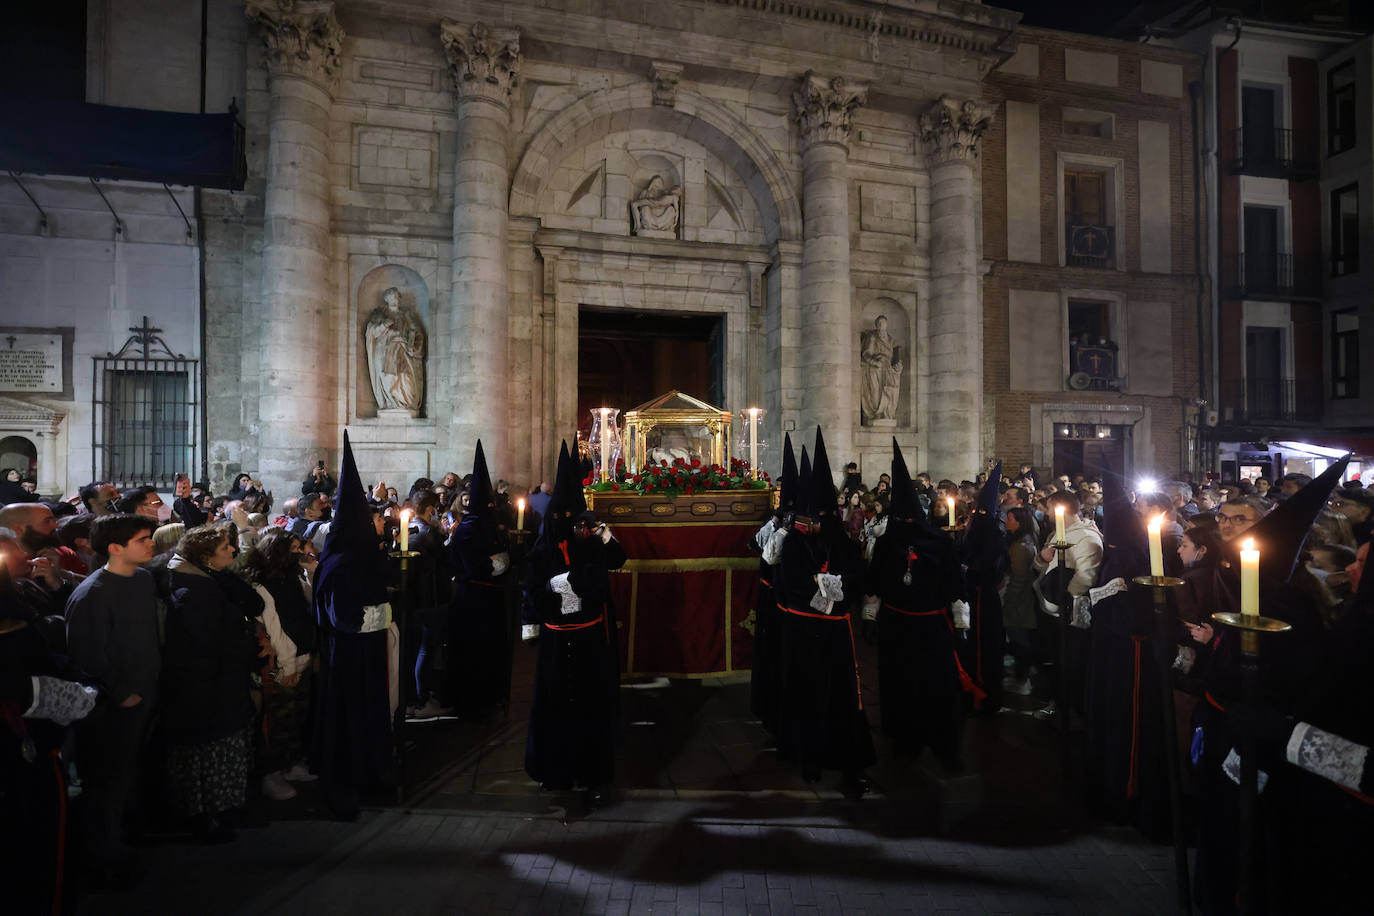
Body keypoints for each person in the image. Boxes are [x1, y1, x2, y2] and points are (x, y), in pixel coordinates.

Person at [522, 441, 626, 806]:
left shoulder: (592, 543)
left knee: (590, 707)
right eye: (557, 517)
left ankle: (593, 773)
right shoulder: (543, 547)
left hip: (588, 640)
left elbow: (611, 567)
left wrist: (602, 535)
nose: (563, 524)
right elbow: (532, 586)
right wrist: (533, 618)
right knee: (554, 707)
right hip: (555, 640)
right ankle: (555, 771)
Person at [772, 428, 874, 793]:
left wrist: (833, 589)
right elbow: (790, 582)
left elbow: (858, 579)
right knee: (805, 693)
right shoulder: (796, 544)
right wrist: (821, 587)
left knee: (844, 696)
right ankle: (808, 755)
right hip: (805, 631)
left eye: (818, 519)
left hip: (836, 633)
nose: (811, 525)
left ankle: (850, 761)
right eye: (808, 519)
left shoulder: (843, 545)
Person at [63, 514, 160, 885]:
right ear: (115, 548)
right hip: (112, 707)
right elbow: (86, 656)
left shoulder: (143, 579)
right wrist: (122, 693)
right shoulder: (92, 594)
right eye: (142, 539)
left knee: (129, 776)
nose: (151, 545)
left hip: (145, 694)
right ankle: (99, 860)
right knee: (105, 783)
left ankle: (122, 844)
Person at [871, 439, 971, 772]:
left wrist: (961, 624)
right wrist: (869, 616)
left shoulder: (939, 542)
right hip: (896, 626)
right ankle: (904, 740)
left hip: (931, 627)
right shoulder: (887, 545)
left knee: (938, 685)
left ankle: (945, 743)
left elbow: (956, 585)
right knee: (900, 684)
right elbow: (875, 582)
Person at [310, 431, 396, 820]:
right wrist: (382, 615)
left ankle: (373, 774)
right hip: (347, 659)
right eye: (375, 518)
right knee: (347, 721)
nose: (381, 523)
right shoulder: (338, 564)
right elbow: (340, 617)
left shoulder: (364, 557)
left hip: (369, 655)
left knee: (372, 715)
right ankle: (345, 783)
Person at [161, 524, 262, 842]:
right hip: (205, 685)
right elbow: (213, 638)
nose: (232, 551)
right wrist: (252, 647)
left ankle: (225, 808)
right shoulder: (192, 591)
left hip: (222, 680)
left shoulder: (210, 580)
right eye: (224, 549)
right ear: (204, 557)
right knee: (207, 753)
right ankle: (207, 815)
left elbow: (251, 604)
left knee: (225, 747)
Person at [243, 529, 317, 801]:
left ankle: (291, 763)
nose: (298, 553)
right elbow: (273, 626)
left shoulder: (292, 579)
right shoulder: (262, 585)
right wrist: (287, 665)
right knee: (278, 719)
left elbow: (309, 602)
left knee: (298, 714)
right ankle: (271, 773)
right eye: (293, 548)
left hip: (302, 655)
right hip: (284, 661)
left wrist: (310, 571)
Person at [445, 441, 513, 719]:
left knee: (490, 651)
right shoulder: (467, 530)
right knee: (472, 652)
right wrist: (496, 564)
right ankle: (471, 701)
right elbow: (470, 563)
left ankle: (490, 694)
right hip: (472, 599)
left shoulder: (486, 525)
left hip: (491, 598)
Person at [750, 433, 797, 736]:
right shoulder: (774, 523)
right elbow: (759, 549)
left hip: (789, 602)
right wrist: (776, 526)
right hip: (771, 596)